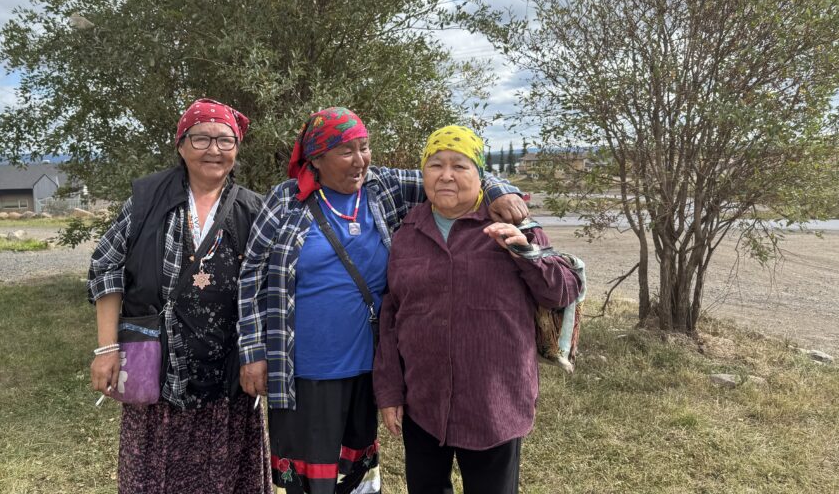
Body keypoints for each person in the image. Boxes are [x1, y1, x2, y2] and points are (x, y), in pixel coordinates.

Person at [237, 108, 529, 494]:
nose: (360, 160)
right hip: (305, 367)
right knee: (310, 479)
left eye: (365, 147)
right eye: (346, 151)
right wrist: (253, 350)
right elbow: (252, 273)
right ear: (317, 158)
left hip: (368, 365)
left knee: (357, 473)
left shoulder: (383, 185)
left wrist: (498, 190)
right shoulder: (286, 200)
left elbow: (457, 172)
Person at [372, 125, 581, 494]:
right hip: (424, 404)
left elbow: (564, 290)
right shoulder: (407, 232)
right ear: (423, 174)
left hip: (493, 404)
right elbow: (391, 317)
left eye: (460, 166)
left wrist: (525, 252)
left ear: (480, 174)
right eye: (435, 165)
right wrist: (389, 392)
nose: (446, 175)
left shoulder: (512, 224)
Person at [87, 99, 270, 494]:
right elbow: (106, 266)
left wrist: (258, 354)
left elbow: (268, 289)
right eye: (201, 138)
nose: (214, 150)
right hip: (158, 373)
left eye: (225, 140)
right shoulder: (146, 201)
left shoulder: (254, 209)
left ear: (236, 149)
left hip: (227, 380)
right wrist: (106, 349)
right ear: (181, 145)